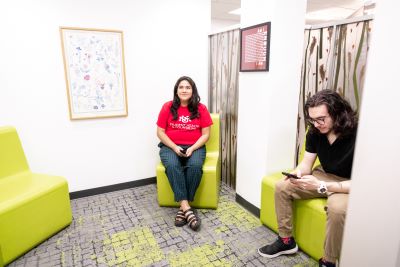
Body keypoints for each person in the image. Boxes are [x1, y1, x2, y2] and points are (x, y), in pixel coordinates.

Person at [258, 89, 358, 267]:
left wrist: (321, 185)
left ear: (337, 112)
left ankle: (328, 261)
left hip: (349, 182)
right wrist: (298, 173)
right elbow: (306, 164)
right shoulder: (315, 132)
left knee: (337, 209)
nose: (317, 124)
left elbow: (363, 183)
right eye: (313, 119)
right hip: (323, 174)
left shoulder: (358, 133)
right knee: (282, 186)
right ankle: (286, 241)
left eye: (322, 118)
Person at [156, 76, 213, 231]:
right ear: (176, 90)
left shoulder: (201, 109)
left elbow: (206, 135)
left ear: (193, 90)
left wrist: (193, 147)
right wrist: (174, 147)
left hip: (195, 146)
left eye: (188, 87)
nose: (184, 90)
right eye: (181, 87)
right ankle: (187, 208)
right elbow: (160, 132)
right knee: (173, 166)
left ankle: (182, 209)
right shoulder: (167, 107)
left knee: (195, 166)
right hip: (170, 147)